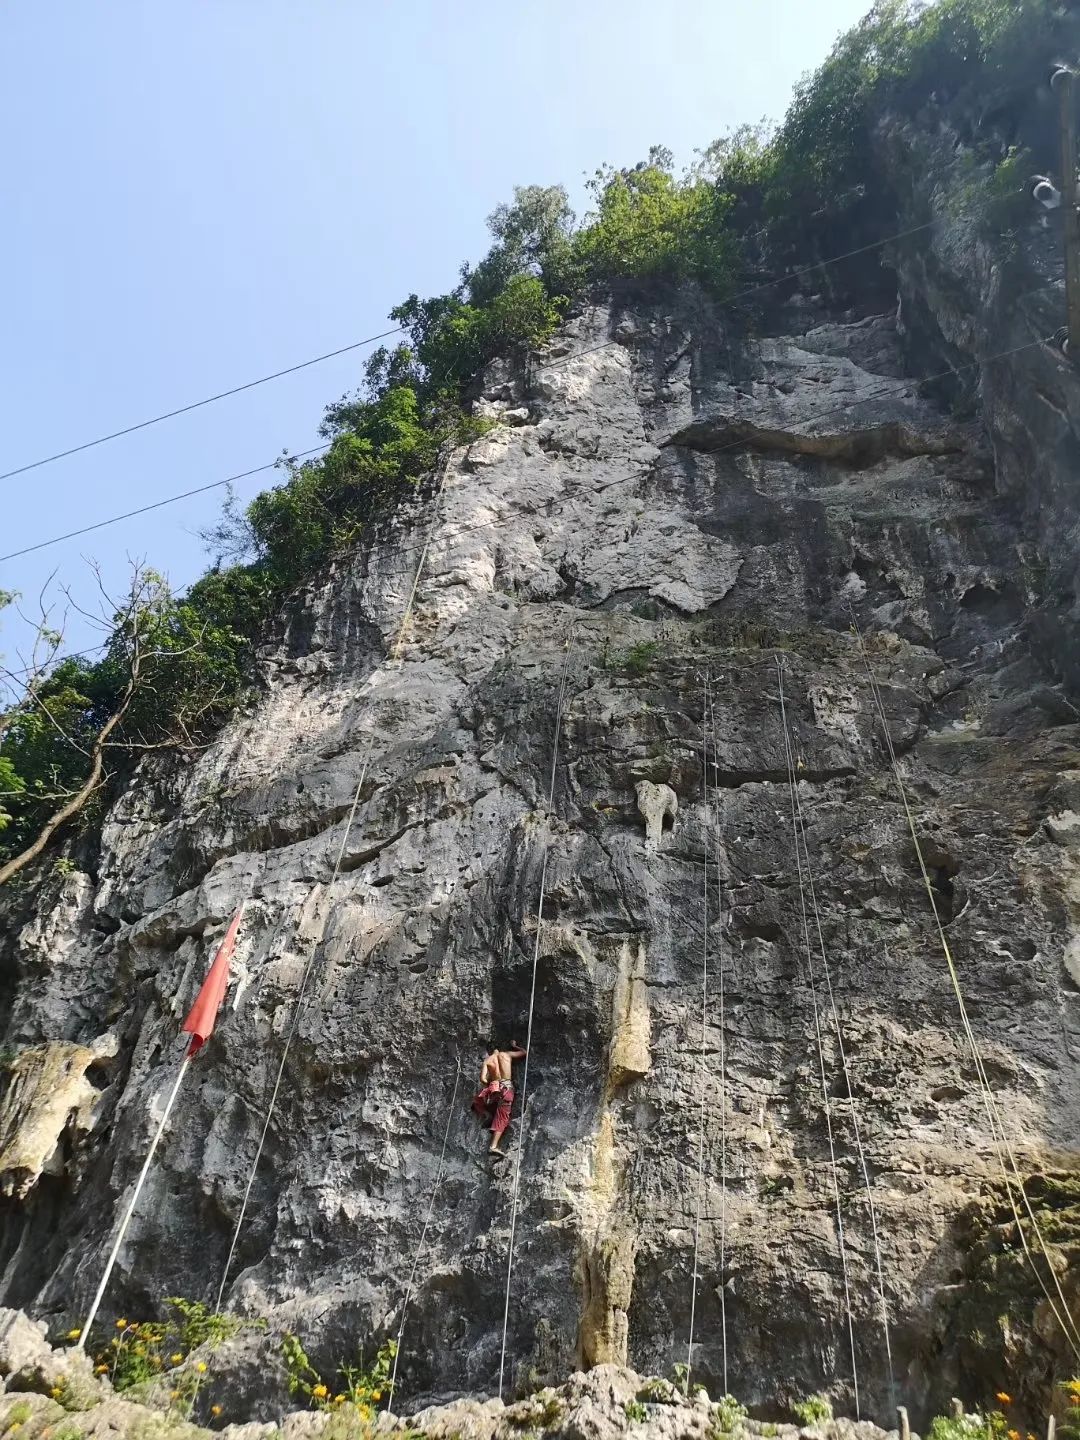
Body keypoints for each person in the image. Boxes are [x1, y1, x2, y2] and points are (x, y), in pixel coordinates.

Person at [471, 1042, 527, 1156]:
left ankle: (487, 1114)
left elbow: (483, 1079)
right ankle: (493, 1146)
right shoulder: (506, 1055)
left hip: (495, 1088)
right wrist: (515, 1046)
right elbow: (524, 1053)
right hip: (506, 1088)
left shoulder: (488, 1060)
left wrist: (492, 1082)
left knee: (477, 1101)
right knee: (502, 1116)